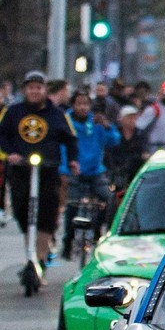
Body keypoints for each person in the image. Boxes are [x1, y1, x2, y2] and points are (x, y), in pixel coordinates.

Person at [0, 71, 81, 276]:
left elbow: (70, 138)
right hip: (20, 170)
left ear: (45, 90)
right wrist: (10, 155)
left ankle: (41, 256)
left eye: (39, 87)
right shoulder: (12, 112)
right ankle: (30, 253)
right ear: (25, 90)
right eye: (31, 88)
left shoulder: (57, 114)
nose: (34, 91)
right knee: (21, 209)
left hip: (47, 169)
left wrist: (72, 160)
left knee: (47, 211)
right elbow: (2, 135)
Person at [62, 90, 119, 258]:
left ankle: (100, 234)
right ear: (73, 105)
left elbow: (114, 140)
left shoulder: (96, 122)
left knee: (109, 200)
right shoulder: (67, 123)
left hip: (95, 171)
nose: (83, 107)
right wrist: (65, 170)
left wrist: (107, 126)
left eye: (86, 104)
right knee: (72, 206)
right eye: (79, 103)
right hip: (75, 171)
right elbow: (62, 148)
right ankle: (68, 240)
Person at [105, 105, 150, 204]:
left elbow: (143, 152)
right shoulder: (115, 134)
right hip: (117, 172)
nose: (132, 120)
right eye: (129, 118)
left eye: (134, 117)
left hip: (134, 171)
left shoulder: (140, 134)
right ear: (122, 119)